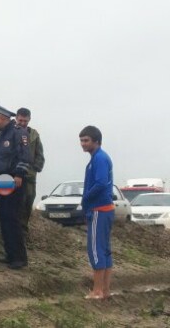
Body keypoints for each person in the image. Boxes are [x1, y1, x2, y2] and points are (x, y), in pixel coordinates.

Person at [0, 102, 31, 270]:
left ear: (3, 118)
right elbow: (2, 161)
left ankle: (19, 258)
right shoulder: (3, 135)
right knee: (4, 218)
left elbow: (24, 155)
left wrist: (19, 174)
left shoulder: (18, 133)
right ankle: (10, 255)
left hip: (14, 181)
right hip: (4, 180)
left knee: (12, 218)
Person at [79, 125, 114, 299]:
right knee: (105, 249)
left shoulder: (99, 158)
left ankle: (98, 291)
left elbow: (101, 183)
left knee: (96, 250)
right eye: (81, 140)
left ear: (96, 141)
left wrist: (85, 198)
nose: (83, 144)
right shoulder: (96, 158)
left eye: (86, 140)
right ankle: (105, 290)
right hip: (104, 209)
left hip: (99, 209)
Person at [15, 107, 45, 238]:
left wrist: (35, 168)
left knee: (28, 201)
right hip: (13, 175)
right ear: (16, 118)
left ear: (29, 120)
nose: (22, 123)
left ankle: (23, 231)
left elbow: (40, 154)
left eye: (25, 121)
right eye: (20, 120)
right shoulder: (9, 132)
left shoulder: (34, 135)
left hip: (30, 176)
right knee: (16, 203)